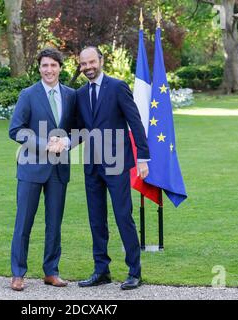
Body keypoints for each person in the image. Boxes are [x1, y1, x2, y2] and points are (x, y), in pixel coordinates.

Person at [75, 46, 150, 290]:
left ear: (101, 60)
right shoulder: (80, 94)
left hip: (117, 164)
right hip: (92, 166)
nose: (88, 67)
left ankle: (134, 272)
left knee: (122, 217)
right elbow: (80, 130)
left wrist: (143, 158)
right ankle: (101, 271)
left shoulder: (117, 87)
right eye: (83, 64)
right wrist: (62, 143)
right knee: (96, 220)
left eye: (91, 62)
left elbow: (135, 121)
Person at [8, 48, 77, 291]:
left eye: (53, 65)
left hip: (59, 170)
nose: (49, 70)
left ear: (60, 68)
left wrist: (66, 143)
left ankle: (51, 271)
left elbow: (79, 131)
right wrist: (43, 145)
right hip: (31, 169)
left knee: (54, 223)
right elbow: (15, 129)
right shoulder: (28, 95)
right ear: (39, 68)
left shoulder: (71, 95)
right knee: (23, 222)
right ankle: (18, 273)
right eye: (45, 65)